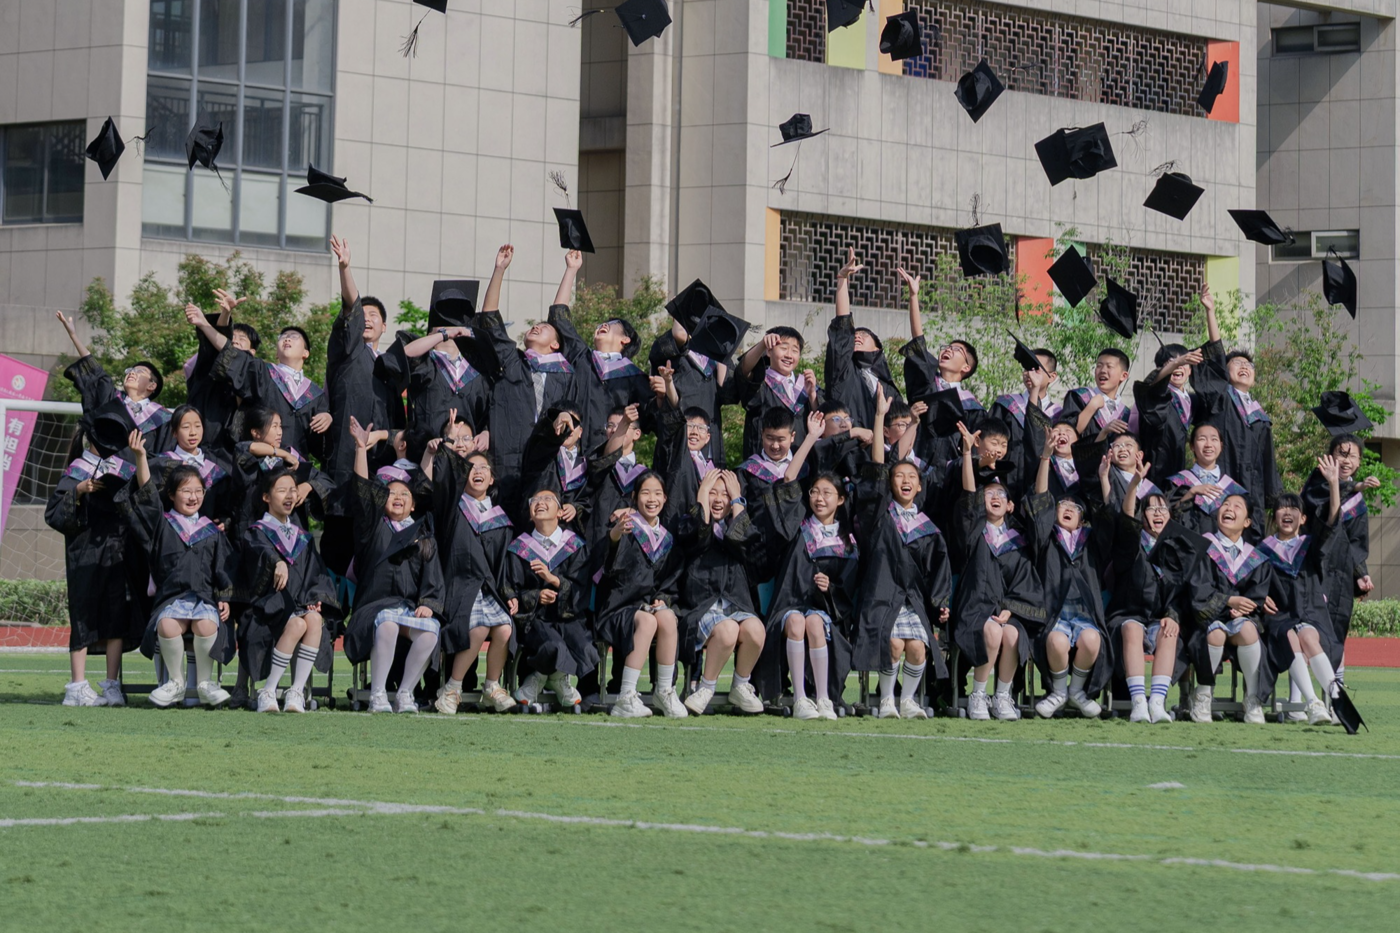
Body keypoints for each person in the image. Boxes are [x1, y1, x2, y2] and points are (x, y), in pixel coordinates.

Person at [853, 389, 951, 720]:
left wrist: (940, 603)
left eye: (911, 477)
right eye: (899, 476)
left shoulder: (927, 527)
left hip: (914, 599)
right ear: (890, 483)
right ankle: (886, 700)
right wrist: (880, 416)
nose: (905, 480)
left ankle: (907, 700)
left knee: (918, 648)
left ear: (919, 487)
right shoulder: (879, 515)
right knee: (894, 644)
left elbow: (938, 569)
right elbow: (877, 470)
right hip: (881, 596)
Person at [342, 417, 445, 714]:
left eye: (405, 494)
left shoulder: (423, 536)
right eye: (392, 493)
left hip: (408, 607)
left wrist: (428, 604)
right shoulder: (372, 528)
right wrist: (360, 449)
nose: (398, 497)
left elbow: (433, 579)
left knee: (431, 630)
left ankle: (405, 693)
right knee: (386, 623)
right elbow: (363, 490)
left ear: (414, 505)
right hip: (372, 607)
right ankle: (378, 694)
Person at [126, 432, 234, 708]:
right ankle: (175, 683)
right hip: (171, 598)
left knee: (206, 624)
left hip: (204, 598)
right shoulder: (162, 524)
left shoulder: (210, 531)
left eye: (198, 491)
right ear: (172, 495)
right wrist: (140, 457)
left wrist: (224, 597)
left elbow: (222, 567)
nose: (193, 496)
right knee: (167, 624)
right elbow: (147, 495)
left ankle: (204, 684)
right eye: (186, 491)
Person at [949, 422, 1045, 721]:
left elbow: (1025, 583)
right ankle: (978, 694)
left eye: (1001, 494)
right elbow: (968, 495)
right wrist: (968, 454)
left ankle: (1002, 695)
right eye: (988, 492)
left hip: (1009, 610)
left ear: (1010, 505)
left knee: (1013, 634)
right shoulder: (973, 531)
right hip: (974, 608)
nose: (994, 497)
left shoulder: (1018, 540)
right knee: (991, 630)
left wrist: (1009, 609)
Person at [45, 430, 144, 707]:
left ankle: (111, 685)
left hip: (116, 550)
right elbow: (54, 513)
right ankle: (77, 686)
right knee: (83, 614)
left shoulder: (124, 467)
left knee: (116, 615)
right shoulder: (77, 469)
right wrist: (78, 490)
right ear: (90, 439)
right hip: (84, 551)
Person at [476, 245, 579, 512]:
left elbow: (561, 314)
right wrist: (499, 270)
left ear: (556, 345)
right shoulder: (513, 361)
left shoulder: (567, 374)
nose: (536, 326)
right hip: (506, 459)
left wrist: (571, 270)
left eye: (543, 327)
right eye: (534, 325)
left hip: (547, 464)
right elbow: (490, 320)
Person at [758, 472, 859, 721]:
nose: (819, 498)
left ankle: (823, 698)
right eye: (814, 492)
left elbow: (848, 589)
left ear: (841, 499)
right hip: (788, 604)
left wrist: (830, 588)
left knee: (814, 622)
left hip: (826, 612)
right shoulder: (797, 528)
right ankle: (800, 699)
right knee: (796, 621)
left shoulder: (847, 540)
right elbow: (788, 480)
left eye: (827, 493)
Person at [1106, 464, 1198, 724]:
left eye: (1163, 508)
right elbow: (1126, 519)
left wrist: (1172, 615)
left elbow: (1181, 594)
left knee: (1170, 631)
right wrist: (1134, 484)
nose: (1158, 512)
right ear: (1142, 514)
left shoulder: (1177, 551)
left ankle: (1157, 702)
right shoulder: (1132, 543)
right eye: (1151, 508)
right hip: (1126, 616)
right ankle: (1138, 702)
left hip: (1158, 619)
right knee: (1132, 628)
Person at [429, 450, 519, 715]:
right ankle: (452, 688)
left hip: (489, 589)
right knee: (478, 627)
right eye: (471, 467)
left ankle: (492, 686)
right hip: (457, 587)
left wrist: (509, 592)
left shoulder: (499, 518)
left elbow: (502, 564)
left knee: (504, 628)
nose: (477, 471)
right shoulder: (453, 508)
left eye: (483, 468)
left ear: (491, 479)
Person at [1027, 433, 1110, 719]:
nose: (1067, 509)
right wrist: (1045, 457)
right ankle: (1059, 692)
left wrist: (1103, 478)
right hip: (1055, 610)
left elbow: (1107, 516)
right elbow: (1040, 500)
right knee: (1057, 641)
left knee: (1092, 640)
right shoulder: (1046, 538)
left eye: (1074, 508)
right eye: (1062, 505)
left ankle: (1076, 692)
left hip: (1084, 611)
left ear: (1082, 519)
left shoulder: (1091, 541)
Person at [240, 469, 336, 713]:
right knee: (298, 623)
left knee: (313, 618)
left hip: (297, 607)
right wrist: (277, 562)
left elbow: (316, 575)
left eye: (292, 490)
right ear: (266, 497)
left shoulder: (301, 537)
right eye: (281, 490)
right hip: (267, 610)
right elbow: (260, 556)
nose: (289, 495)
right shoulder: (256, 532)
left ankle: (296, 691)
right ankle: (268, 690)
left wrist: (315, 599)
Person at [1257, 465, 1346, 725]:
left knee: (1307, 635)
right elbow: (1253, 584)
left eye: (1294, 508)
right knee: (1289, 635)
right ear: (1275, 516)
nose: (1287, 512)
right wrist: (1259, 597)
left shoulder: (1310, 545)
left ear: (1303, 518)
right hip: (1279, 617)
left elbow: (1331, 522)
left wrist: (1334, 485)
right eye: (1282, 508)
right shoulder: (1263, 550)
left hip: (1310, 614)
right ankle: (1313, 703)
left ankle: (1336, 698)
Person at [594, 472, 685, 718]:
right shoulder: (625, 527)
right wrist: (614, 537)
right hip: (617, 608)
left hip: (646, 608)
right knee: (648, 621)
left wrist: (662, 598)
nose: (652, 499)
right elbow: (607, 567)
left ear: (665, 499)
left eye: (657, 493)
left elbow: (669, 582)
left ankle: (664, 690)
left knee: (667, 616)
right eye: (645, 493)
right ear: (634, 497)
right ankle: (626, 696)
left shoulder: (666, 539)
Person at [676, 469, 766, 714]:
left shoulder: (733, 526)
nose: (718, 500)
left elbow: (747, 543)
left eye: (725, 495)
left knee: (756, 629)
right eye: (712, 493)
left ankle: (740, 685)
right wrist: (702, 495)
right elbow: (700, 534)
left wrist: (738, 499)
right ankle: (706, 687)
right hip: (700, 606)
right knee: (728, 630)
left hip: (735, 603)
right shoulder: (689, 524)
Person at [1192, 285, 1280, 535]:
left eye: (1249, 365)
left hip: (1252, 494)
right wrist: (1211, 312)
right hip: (1220, 488)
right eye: (1237, 363)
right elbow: (1216, 356)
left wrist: (1275, 502)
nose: (1244, 367)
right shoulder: (1220, 398)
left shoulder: (1260, 416)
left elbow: (1269, 464)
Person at [194, 303, 332, 462]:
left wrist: (328, 418)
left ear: (305, 353)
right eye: (283, 337)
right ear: (276, 353)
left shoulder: (315, 395)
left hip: (296, 466)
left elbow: (321, 447)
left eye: (294, 336)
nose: (287, 338)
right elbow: (231, 353)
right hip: (260, 463)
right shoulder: (263, 372)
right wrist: (205, 325)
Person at [503, 488, 596, 708]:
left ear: (560, 511)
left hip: (568, 617)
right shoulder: (519, 548)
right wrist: (536, 596)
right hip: (536, 618)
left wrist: (553, 580)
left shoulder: (574, 545)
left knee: (586, 649)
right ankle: (556, 679)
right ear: (530, 513)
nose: (540, 502)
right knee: (554, 647)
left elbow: (581, 589)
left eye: (547, 499)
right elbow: (511, 588)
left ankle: (540, 678)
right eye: (534, 500)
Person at [1186, 493, 1273, 724]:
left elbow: (1257, 594)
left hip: (1239, 620)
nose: (1228, 508)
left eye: (1236, 506)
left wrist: (1245, 609)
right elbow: (1198, 589)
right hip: (1206, 619)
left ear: (1247, 522)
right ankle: (1203, 695)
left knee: (1248, 630)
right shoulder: (1204, 547)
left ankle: (1252, 698)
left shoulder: (1254, 557)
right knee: (1215, 632)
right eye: (1225, 504)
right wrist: (1228, 601)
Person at [1300, 432, 1378, 669]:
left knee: (1337, 631)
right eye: (1341, 454)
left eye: (1352, 456)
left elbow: (1356, 543)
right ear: (1330, 456)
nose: (1346, 460)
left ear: (1359, 462)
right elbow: (1324, 520)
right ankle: (1299, 690)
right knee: (1306, 630)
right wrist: (1355, 485)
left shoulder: (1358, 503)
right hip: (1312, 566)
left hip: (1340, 574)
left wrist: (1361, 573)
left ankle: (1336, 687)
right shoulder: (1316, 483)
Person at [56, 311, 173, 454]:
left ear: (152, 385)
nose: (132, 373)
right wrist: (73, 335)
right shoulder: (112, 399)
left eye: (139, 371)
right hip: (102, 466)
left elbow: (163, 455)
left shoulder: (162, 418)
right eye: (130, 370)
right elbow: (95, 371)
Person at [825, 249, 901, 430]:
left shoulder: (888, 389)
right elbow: (843, 326)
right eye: (855, 335)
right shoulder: (845, 372)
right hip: (847, 443)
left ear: (877, 348)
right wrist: (842, 279)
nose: (857, 336)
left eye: (864, 335)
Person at [182, 288, 257, 453]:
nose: (234, 341)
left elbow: (230, 352)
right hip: (198, 447)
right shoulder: (208, 370)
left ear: (252, 352)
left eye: (241, 339)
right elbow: (220, 349)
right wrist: (225, 314)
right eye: (232, 337)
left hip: (231, 452)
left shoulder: (258, 377)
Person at [736, 325, 820, 458]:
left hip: (800, 462)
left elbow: (820, 424)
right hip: (764, 463)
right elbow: (744, 370)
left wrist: (812, 396)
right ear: (769, 351)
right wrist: (762, 345)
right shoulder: (761, 382)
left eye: (795, 350)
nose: (789, 355)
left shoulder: (805, 385)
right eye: (784, 348)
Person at [147, 404, 233, 524]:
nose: (193, 432)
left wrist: (225, 520)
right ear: (174, 432)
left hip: (204, 532)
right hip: (169, 529)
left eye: (198, 426)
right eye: (186, 427)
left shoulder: (216, 466)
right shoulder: (163, 464)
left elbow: (224, 505)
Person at [1134, 343, 1202, 487]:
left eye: (1183, 362)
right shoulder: (1158, 396)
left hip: (1178, 468)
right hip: (1154, 469)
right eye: (1171, 363)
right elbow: (1152, 387)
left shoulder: (1192, 400)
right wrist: (1176, 363)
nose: (1178, 366)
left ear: (1190, 370)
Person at [519, 405, 589, 533]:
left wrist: (575, 507)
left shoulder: (586, 464)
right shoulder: (541, 453)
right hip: (536, 531)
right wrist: (558, 419)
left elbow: (588, 498)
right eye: (564, 423)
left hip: (568, 534)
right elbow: (543, 439)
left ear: (580, 432)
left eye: (573, 424)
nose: (568, 427)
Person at [1166, 423, 1245, 537]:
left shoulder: (1233, 489)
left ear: (1221, 446)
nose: (1208, 444)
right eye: (1202, 439)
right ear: (1192, 446)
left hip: (1223, 546)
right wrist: (1191, 493)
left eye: (1214, 439)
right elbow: (1169, 518)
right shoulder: (1177, 482)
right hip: (1187, 545)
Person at [1061, 347, 1135, 442]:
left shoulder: (1126, 414)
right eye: (1099, 366)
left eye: (1109, 366)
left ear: (1123, 376)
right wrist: (1091, 407)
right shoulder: (1079, 397)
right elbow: (1065, 435)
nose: (1103, 370)